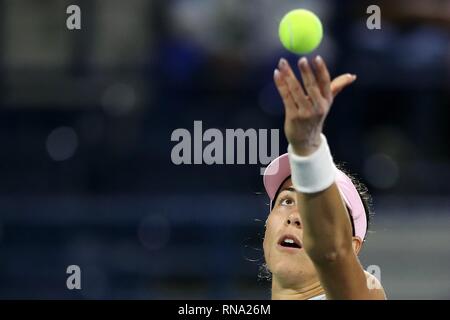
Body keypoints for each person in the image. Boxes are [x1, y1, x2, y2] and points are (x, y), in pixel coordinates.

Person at [262, 56, 386, 300]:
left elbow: (332, 253)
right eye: (286, 201)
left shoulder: (368, 292)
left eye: (314, 212)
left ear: (353, 247)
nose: (295, 217)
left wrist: (307, 148)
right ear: (266, 225)